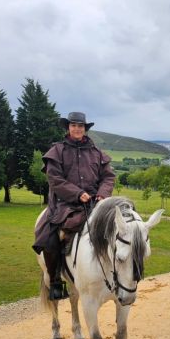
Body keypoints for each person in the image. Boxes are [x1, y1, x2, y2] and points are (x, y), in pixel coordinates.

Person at [33, 112, 116, 300]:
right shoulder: (58, 151)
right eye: (73, 125)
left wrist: (102, 195)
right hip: (65, 203)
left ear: (85, 128)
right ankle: (54, 280)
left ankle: (116, 275)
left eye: (80, 126)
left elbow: (108, 177)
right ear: (68, 127)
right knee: (51, 236)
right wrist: (77, 194)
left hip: (96, 202)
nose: (77, 129)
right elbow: (54, 179)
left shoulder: (96, 153)